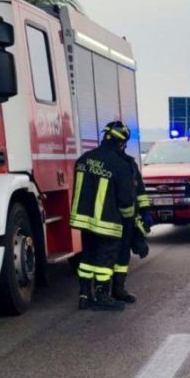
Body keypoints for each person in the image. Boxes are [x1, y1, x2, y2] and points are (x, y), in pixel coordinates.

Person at [69, 121, 136, 311]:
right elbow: (125, 200)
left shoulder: (83, 159)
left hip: (84, 221)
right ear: (121, 143)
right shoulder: (120, 165)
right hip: (107, 222)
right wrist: (129, 221)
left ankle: (84, 295)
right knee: (105, 261)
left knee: (87, 258)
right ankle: (101, 296)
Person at [112, 146, 152, 303]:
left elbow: (139, 191)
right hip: (115, 217)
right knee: (114, 254)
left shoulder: (129, 164)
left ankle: (117, 288)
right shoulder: (122, 164)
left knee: (122, 253)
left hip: (124, 217)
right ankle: (113, 290)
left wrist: (144, 212)